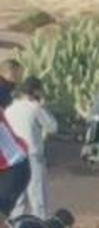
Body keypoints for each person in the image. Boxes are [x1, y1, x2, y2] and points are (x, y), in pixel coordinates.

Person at [7, 77, 58, 220]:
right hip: (32, 156)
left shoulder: (10, 109)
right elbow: (53, 127)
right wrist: (42, 106)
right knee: (38, 198)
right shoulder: (35, 108)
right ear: (35, 91)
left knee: (18, 199)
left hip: (14, 157)